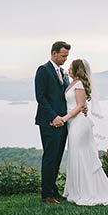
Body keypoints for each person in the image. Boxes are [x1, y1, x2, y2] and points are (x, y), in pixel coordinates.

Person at [60, 59, 108, 206]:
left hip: (78, 124)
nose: (68, 69)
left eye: (70, 67)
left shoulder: (79, 84)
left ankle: (87, 191)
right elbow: (79, 103)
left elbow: (80, 105)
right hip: (73, 123)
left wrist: (65, 118)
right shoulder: (72, 83)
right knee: (75, 155)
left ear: (76, 70)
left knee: (81, 156)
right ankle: (76, 190)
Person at [34, 41, 71, 204]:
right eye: (63, 56)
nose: (65, 59)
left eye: (67, 56)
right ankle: (46, 194)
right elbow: (40, 97)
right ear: (54, 53)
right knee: (50, 157)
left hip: (63, 122)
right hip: (49, 122)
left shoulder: (62, 72)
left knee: (57, 157)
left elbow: (66, 95)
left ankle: (53, 190)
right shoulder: (43, 70)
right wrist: (53, 117)